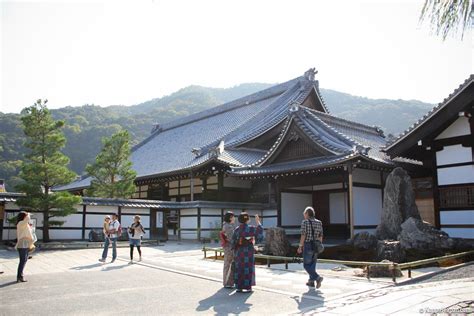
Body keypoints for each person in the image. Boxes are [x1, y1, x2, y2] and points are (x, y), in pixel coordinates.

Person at [232, 212, 263, 293]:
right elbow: (259, 231)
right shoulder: (251, 228)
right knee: (248, 268)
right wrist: (258, 221)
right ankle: (248, 287)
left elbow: (233, 242)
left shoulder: (237, 229)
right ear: (248, 220)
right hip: (248, 251)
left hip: (239, 251)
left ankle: (239, 287)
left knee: (239, 268)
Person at [297, 206, 324, 289]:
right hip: (316, 245)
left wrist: (300, 246)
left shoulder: (305, 222)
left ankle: (317, 278)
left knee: (306, 265)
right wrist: (319, 244)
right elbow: (321, 235)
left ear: (307, 214)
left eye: (304, 213)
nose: (303, 215)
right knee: (312, 264)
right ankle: (311, 282)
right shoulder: (319, 222)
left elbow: (303, 235)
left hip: (308, 245)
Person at [15, 211, 35, 283]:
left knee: (24, 260)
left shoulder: (24, 224)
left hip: (26, 243)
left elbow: (30, 231)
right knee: (22, 261)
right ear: (23, 217)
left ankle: (20, 276)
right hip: (22, 244)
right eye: (26, 216)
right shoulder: (20, 223)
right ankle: (20, 277)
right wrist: (28, 214)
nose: (27, 217)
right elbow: (27, 219)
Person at [221, 211, 236, 288]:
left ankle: (228, 282)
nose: (234, 218)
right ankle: (227, 282)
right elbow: (231, 238)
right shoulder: (228, 226)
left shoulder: (227, 225)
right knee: (228, 264)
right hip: (229, 247)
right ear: (230, 218)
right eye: (233, 217)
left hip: (228, 247)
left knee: (228, 264)